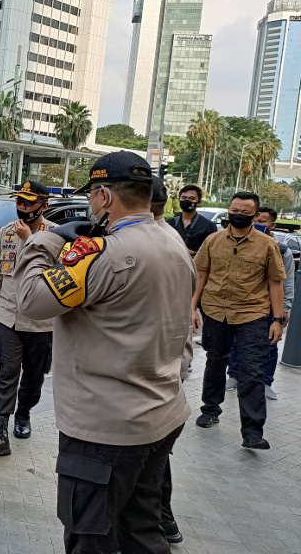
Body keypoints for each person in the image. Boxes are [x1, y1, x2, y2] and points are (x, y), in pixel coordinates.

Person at [15, 151, 194, 554]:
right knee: (141, 529)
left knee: (90, 536)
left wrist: (47, 238)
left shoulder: (104, 253)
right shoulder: (172, 241)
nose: (92, 204)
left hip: (106, 428)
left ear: (105, 197)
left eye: (94, 195)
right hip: (161, 413)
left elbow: (31, 300)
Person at [192, 192, 286, 450]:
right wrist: (191, 309)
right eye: (235, 210)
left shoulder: (267, 245)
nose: (238, 215)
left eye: (245, 212)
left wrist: (277, 319)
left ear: (255, 216)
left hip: (252, 314)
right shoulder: (213, 241)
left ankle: (253, 431)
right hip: (215, 311)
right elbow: (201, 276)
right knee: (215, 362)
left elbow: (275, 282)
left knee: (251, 370)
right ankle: (210, 410)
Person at [0, 181, 56, 456]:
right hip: (8, 317)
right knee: (7, 373)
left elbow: (61, 276)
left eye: (29, 202)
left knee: (35, 375)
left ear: (43, 207)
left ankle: (24, 412)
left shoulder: (56, 236)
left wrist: (29, 241)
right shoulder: (5, 234)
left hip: (41, 322)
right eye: (19, 201)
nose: (22, 207)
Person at [152, 175, 193, 545]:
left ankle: (162, 519)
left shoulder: (157, 243)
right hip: (165, 372)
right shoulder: (169, 239)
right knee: (155, 457)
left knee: (151, 462)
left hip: (151, 377)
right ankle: (163, 520)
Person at [226, 206, 294, 400]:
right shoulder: (242, 243)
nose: (257, 224)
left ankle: (265, 382)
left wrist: (284, 311)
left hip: (272, 306)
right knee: (237, 341)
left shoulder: (282, 250)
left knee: (270, 344)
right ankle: (234, 375)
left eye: (262, 221)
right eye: (256, 220)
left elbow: (286, 283)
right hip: (245, 303)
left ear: (272, 224)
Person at [169, 184, 217, 256]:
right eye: (184, 197)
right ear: (179, 200)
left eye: (192, 198)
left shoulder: (208, 226)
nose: (187, 201)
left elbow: (212, 253)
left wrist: (194, 253)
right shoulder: (169, 224)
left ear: (199, 202)